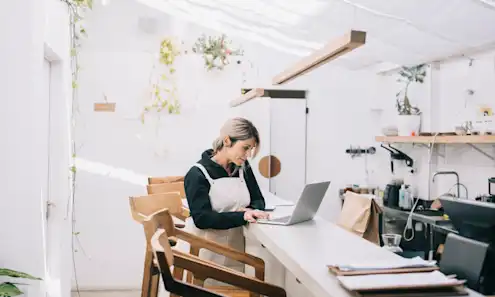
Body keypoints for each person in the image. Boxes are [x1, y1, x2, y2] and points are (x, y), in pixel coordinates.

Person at [183, 117, 270, 278]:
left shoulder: (243, 168)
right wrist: (242, 215)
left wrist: (250, 210)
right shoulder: (197, 174)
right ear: (227, 140)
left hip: (236, 249)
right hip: (206, 250)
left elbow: (259, 200)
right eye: (245, 148)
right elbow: (202, 219)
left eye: (251, 149)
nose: (248, 155)